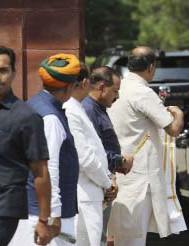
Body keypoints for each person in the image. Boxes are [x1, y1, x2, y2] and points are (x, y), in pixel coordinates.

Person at [0, 45, 52, 245]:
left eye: (3, 70)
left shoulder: (26, 117)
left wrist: (44, 220)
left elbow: (41, 171)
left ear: (14, 73)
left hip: (0, 209)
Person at [107, 46, 184, 246]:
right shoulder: (142, 92)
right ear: (151, 67)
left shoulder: (118, 89)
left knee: (118, 234)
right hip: (140, 176)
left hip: (119, 169)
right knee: (132, 238)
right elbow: (173, 129)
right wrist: (179, 113)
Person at [9, 53, 81, 246]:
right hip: (43, 215)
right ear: (68, 87)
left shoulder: (33, 105)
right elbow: (49, 169)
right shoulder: (50, 118)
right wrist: (52, 215)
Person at [82, 66, 134, 245]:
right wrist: (119, 161)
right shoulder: (88, 110)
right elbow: (92, 153)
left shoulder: (98, 108)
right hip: (96, 185)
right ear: (102, 87)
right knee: (94, 238)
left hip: (104, 182)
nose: (117, 96)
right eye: (115, 91)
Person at [62, 64, 113, 246]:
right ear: (84, 82)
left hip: (91, 191)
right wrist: (107, 183)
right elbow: (85, 157)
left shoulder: (77, 107)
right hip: (84, 193)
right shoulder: (71, 109)